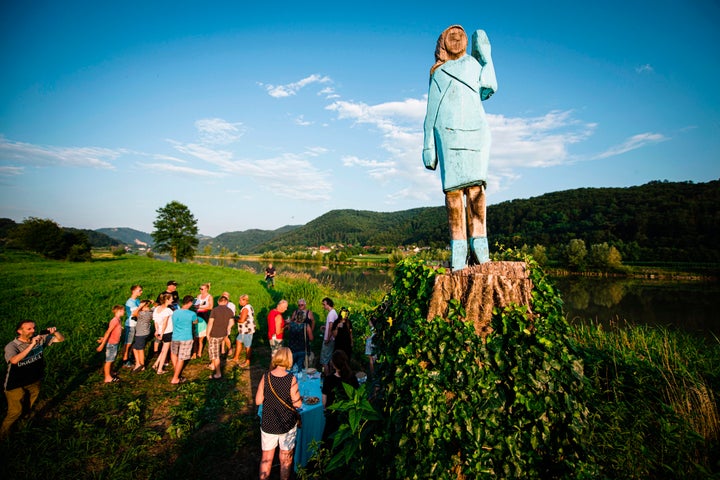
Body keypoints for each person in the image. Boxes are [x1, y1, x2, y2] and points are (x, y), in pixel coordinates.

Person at [422, 25, 497, 270]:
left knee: (476, 190)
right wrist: (428, 145)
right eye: (450, 36)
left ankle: (480, 242)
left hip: (476, 131)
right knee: (453, 193)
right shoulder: (439, 73)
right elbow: (430, 113)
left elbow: (490, 87)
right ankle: (459, 246)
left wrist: (485, 55)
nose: (456, 39)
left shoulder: (475, 66)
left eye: (459, 35)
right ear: (442, 43)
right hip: (448, 134)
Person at [2, 321, 64, 438]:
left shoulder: (39, 339)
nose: (33, 331)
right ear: (20, 331)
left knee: (28, 406)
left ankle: (22, 424)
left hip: (34, 380)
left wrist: (55, 332)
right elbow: (14, 361)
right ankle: (4, 435)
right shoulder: (12, 346)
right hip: (15, 384)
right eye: (29, 329)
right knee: (15, 411)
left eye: (34, 328)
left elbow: (61, 339)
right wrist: (31, 345)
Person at [255, 347, 302, 480]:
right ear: (289, 360)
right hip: (286, 424)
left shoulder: (266, 377)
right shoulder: (291, 379)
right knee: (285, 458)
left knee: (266, 458)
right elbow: (297, 404)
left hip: (268, 422)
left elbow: (258, 400)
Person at [322, 350, 359, 442]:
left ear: (334, 364)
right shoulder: (352, 377)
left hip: (333, 419)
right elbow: (357, 396)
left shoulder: (329, 379)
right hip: (348, 416)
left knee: (329, 443)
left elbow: (324, 403)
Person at [170, 295, 197, 385]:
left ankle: (176, 370)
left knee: (174, 354)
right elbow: (195, 322)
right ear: (189, 303)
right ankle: (175, 378)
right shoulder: (192, 314)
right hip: (186, 338)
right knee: (181, 358)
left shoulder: (175, 312)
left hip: (175, 336)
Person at [206, 295, 234, 380]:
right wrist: (227, 328)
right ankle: (212, 365)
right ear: (226, 302)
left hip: (215, 334)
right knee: (215, 350)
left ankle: (218, 373)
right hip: (223, 334)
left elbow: (210, 323)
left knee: (215, 355)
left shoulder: (215, 310)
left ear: (218, 302)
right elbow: (232, 322)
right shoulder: (229, 311)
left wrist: (207, 334)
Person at [96, 305, 124, 383]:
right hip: (111, 344)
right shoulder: (114, 321)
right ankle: (107, 377)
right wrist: (102, 344)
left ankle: (110, 372)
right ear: (119, 311)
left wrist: (103, 339)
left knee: (112, 359)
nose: (124, 312)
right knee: (109, 361)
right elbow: (108, 332)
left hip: (115, 343)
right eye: (123, 310)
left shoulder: (118, 320)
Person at [152, 293, 174, 374]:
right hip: (167, 332)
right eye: (171, 299)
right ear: (167, 300)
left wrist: (157, 330)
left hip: (160, 331)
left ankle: (156, 364)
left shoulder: (157, 308)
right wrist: (162, 333)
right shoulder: (167, 310)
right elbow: (165, 322)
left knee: (163, 350)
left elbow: (155, 321)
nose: (172, 300)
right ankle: (160, 369)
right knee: (165, 351)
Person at [287, 304, 314, 369]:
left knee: (292, 367)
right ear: (304, 318)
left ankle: (292, 378)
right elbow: (311, 338)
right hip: (303, 349)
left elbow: (289, 333)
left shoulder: (290, 325)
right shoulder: (306, 326)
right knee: (301, 368)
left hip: (292, 349)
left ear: (296, 317)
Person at [232, 294, 255, 368]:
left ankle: (247, 361)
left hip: (246, 330)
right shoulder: (249, 306)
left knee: (248, 346)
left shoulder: (245, 309)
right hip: (243, 330)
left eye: (240, 300)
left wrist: (235, 319)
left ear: (245, 300)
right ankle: (235, 358)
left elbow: (242, 320)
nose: (239, 302)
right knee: (238, 341)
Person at [122, 284, 142, 368]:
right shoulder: (130, 302)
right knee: (128, 343)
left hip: (136, 324)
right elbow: (135, 313)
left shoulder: (137, 300)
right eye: (139, 290)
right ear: (133, 291)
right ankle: (125, 360)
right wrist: (141, 307)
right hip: (130, 324)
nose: (141, 292)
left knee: (132, 342)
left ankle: (129, 356)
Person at [131, 299, 154, 372]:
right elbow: (154, 307)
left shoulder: (142, 313)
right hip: (145, 332)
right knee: (134, 347)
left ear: (143, 306)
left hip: (141, 334)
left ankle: (142, 365)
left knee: (140, 349)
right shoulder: (150, 312)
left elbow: (134, 314)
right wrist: (151, 303)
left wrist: (139, 307)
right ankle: (138, 363)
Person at [193, 283, 213, 359]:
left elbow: (210, 307)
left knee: (206, 331)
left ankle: (206, 348)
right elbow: (195, 306)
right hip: (198, 314)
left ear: (206, 289)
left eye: (202, 289)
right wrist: (199, 307)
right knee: (197, 330)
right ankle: (196, 350)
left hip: (205, 314)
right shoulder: (198, 296)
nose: (200, 290)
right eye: (200, 288)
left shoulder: (209, 297)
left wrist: (200, 306)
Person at [320, 297, 338, 376]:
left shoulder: (331, 314)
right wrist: (325, 327)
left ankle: (326, 378)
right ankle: (331, 376)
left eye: (324, 304)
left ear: (328, 304)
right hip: (333, 339)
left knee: (324, 360)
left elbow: (331, 326)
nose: (323, 306)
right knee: (330, 359)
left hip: (329, 339)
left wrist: (327, 338)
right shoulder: (334, 312)